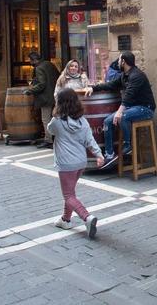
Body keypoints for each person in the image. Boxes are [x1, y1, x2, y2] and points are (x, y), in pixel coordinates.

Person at [83, 51, 155, 170]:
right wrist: (93, 88)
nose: (117, 62)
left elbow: (129, 96)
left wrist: (119, 112)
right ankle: (109, 155)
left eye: (119, 60)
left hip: (145, 108)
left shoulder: (137, 75)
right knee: (107, 121)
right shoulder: (124, 76)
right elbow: (110, 85)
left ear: (124, 62)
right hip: (132, 108)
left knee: (123, 116)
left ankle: (128, 145)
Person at [49, 88, 103, 238]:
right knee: (70, 193)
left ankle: (87, 217)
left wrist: (55, 113)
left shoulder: (57, 122)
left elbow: (49, 130)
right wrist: (99, 155)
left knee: (68, 195)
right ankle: (65, 220)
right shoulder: (83, 121)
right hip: (80, 163)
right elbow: (90, 140)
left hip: (66, 164)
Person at [25, 52, 60, 149]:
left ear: (34, 60)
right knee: (55, 118)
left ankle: (48, 140)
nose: (30, 63)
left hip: (45, 98)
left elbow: (41, 84)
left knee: (45, 119)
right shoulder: (49, 64)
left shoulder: (39, 68)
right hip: (55, 95)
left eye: (30, 61)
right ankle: (56, 138)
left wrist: (30, 90)